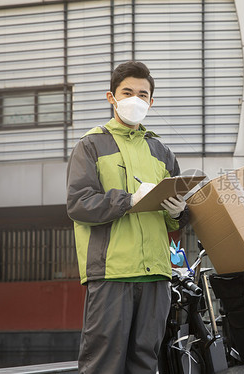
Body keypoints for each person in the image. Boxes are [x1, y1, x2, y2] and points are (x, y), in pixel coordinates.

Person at [66, 61, 189, 374]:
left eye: (142, 94)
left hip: (157, 275)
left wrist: (179, 213)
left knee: (146, 363)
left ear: (151, 101)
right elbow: (79, 204)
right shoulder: (90, 145)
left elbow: (174, 220)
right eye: (128, 92)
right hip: (111, 272)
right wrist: (128, 200)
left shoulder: (162, 151)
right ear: (112, 97)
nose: (136, 99)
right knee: (102, 364)